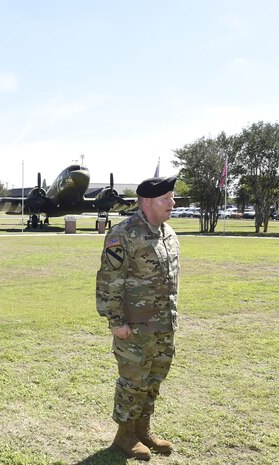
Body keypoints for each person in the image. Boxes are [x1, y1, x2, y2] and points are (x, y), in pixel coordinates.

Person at [95, 176, 180, 460]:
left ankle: (143, 429)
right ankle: (125, 435)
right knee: (132, 382)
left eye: (172, 197)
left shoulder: (168, 233)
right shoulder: (124, 233)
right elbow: (109, 280)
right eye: (166, 198)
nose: (172, 203)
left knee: (154, 379)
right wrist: (116, 322)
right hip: (134, 327)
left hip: (163, 325)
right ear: (146, 202)